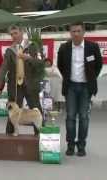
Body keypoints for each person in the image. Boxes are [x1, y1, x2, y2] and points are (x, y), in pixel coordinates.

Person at [57, 22, 102, 157]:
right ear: (70, 33)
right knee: (70, 116)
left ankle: (81, 145)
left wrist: (91, 79)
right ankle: (70, 145)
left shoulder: (92, 47)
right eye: (73, 31)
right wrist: (68, 78)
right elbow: (60, 66)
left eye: (78, 31)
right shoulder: (64, 48)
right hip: (70, 86)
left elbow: (98, 65)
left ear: (83, 32)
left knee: (83, 117)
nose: (75, 34)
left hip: (85, 87)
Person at [0, 25, 47, 135]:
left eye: (15, 33)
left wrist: (29, 58)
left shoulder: (32, 46)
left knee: (37, 111)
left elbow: (41, 64)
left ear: (22, 32)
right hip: (14, 86)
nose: (13, 36)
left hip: (31, 85)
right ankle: (9, 138)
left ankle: (43, 139)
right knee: (12, 113)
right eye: (11, 34)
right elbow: (3, 68)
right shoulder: (9, 50)